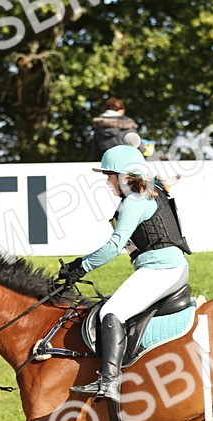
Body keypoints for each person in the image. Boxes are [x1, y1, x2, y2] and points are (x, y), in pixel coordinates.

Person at [57, 145, 191, 401]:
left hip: (161, 270)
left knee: (111, 312)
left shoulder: (134, 201)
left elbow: (114, 246)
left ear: (124, 176)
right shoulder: (154, 191)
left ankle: (109, 383)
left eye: (109, 176)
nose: (107, 183)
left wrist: (80, 267)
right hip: (168, 268)